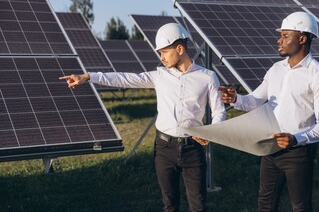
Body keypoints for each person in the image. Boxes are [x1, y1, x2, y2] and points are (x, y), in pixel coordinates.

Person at [59, 23, 226, 212]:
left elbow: (219, 111)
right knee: (170, 206)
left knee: (198, 206)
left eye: (164, 52)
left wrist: (211, 132)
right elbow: (124, 78)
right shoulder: (159, 76)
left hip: (192, 150)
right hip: (164, 149)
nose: (161, 58)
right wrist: (88, 77)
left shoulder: (208, 77)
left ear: (179, 49)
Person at [220, 11, 319, 211]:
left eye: (285, 36)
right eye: (280, 35)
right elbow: (256, 101)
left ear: (302, 38)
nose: (278, 40)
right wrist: (235, 99)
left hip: (298, 153)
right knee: (265, 204)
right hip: (271, 148)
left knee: (300, 206)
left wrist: (296, 139)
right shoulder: (275, 69)